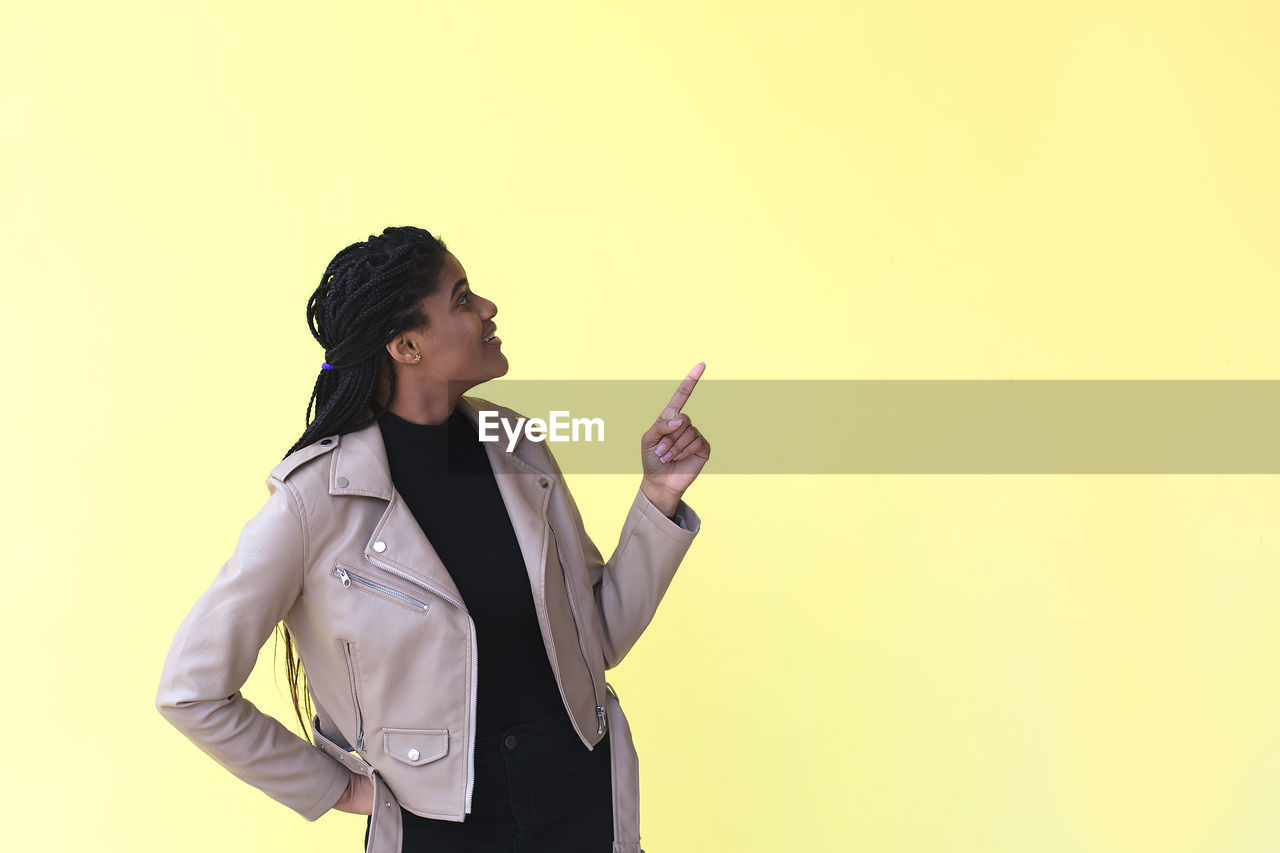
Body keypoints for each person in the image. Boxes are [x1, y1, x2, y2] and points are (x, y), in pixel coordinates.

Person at [155, 226, 709, 853]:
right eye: (463, 298)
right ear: (407, 344)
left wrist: (658, 497)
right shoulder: (314, 500)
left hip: (577, 789)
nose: (488, 309)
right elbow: (191, 690)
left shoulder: (515, 445)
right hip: (440, 823)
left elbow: (596, 638)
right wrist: (335, 788)